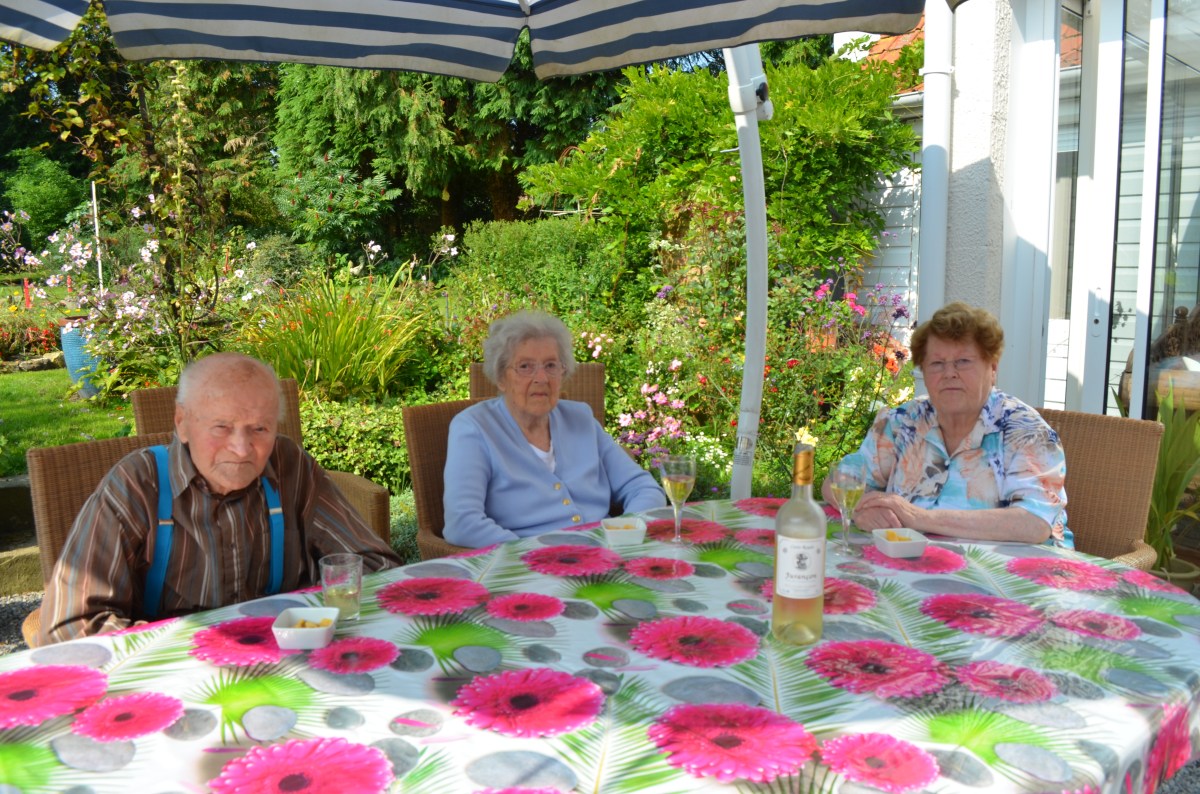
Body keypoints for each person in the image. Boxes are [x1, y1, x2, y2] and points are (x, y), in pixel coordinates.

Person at [38, 353, 401, 645]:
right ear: (182, 422)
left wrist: (316, 618)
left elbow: (373, 566)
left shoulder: (290, 467)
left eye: (259, 428)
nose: (242, 448)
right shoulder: (138, 484)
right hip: (179, 674)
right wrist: (191, 653)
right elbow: (71, 626)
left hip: (290, 661)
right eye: (221, 427)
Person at [824, 301, 1071, 547]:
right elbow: (838, 481)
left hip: (1013, 575)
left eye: (963, 361)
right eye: (937, 364)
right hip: (911, 567)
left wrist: (918, 517)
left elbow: (1034, 524)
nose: (949, 373)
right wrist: (860, 508)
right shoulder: (903, 422)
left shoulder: (1025, 432)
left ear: (992, 368)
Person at [443, 310, 666, 547]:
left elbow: (643, 487)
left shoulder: (580, 417)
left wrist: (624, 534)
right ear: (501, 378)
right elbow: (462, 522)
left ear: (563, 372)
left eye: (551, 365)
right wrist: (530, 555)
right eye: (525, 366)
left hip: (606, 556)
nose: (541, 378)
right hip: (531, 570)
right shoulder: (474, 428)